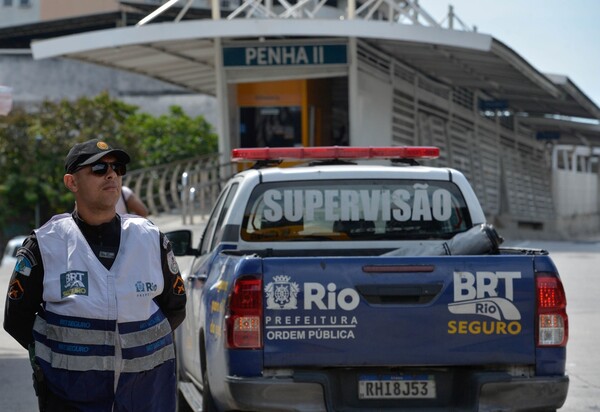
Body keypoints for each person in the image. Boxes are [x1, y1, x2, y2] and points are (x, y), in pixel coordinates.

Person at [3, 139, 186, 412]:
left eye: (117, 167)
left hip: (146, 397)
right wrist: (55, 367)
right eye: (98, 168)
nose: (111, 174)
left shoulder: (150, 239)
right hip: (69, 399)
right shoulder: (45, 244)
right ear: (71, 182)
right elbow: (16, 320)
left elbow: (176, 307)